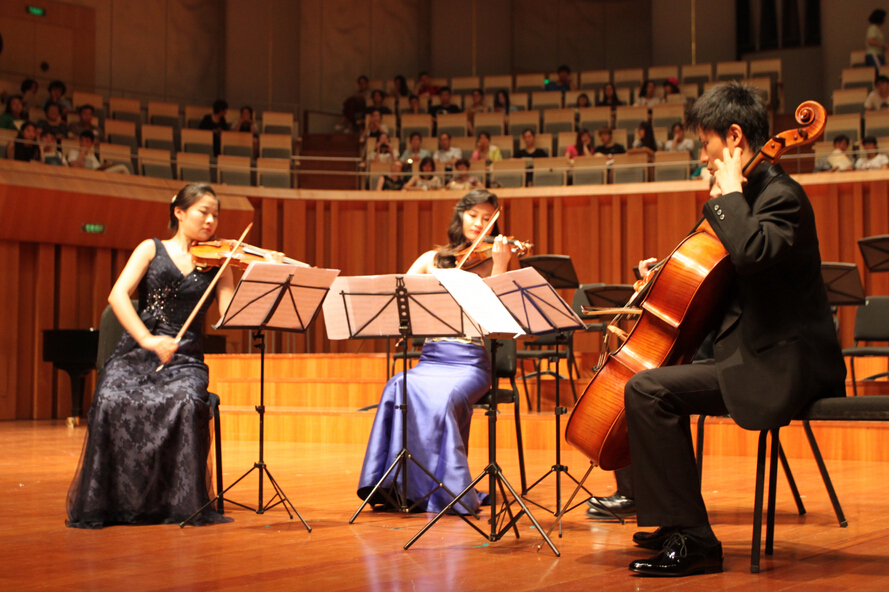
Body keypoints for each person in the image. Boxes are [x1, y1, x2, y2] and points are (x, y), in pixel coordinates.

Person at [624, 82, 845, 577]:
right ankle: (675, 524)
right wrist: (666, 277)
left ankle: (695, 540)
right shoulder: (743, 200)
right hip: (750, 354)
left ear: (734, 138)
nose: (703, 158)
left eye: (706, 146)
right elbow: (725, 281)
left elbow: (753, 253)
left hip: (785, 363)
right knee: (647, 383)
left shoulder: (782, 196)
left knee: (647, 390)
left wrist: (727, 197)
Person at [66, 183, 280, 528]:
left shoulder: (218, 262)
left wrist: (259, 275)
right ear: (179, 212)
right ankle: (116, 501)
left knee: (184, 400)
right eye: (203, 212)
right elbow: (118, 295)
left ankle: (176, 501)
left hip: (186, 359)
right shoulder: (150, 249)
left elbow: (229, 316)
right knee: (110, 396)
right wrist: (149, 340)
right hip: (139, 351)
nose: (211, 221)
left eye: (215, 215)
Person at [357, 189, 513, 514]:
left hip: (470, 362)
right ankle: (395, 486)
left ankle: (444, 490)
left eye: (487, 219)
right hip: (431, 358)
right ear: (460, 216)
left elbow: (500, 321)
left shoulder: (501, 259)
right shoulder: (433, 259)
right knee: (398, 384)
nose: (479, 223)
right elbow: (397, 296)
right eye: (473, 215)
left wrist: (500, 264)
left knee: (443, 401)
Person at [866, 9, 888, 75]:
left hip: (879, 55)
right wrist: (884, 45)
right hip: (874, 54)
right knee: (882, 73)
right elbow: (870, 40)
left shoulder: (877, 29)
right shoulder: (873, 28)